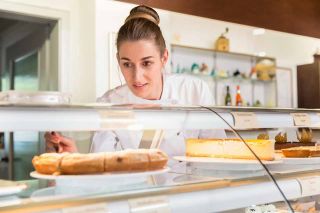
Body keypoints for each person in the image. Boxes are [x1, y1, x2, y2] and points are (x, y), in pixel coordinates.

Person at [45, 5, 226, 157]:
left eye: (146, 63)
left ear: (164, 58)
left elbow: (218, 155)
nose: (137, 77)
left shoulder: (194, 90)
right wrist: (73, 158)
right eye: (127, 64)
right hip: (133, 195)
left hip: (190, 192)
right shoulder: (109, 103)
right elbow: (104, 172)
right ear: (118, 60)